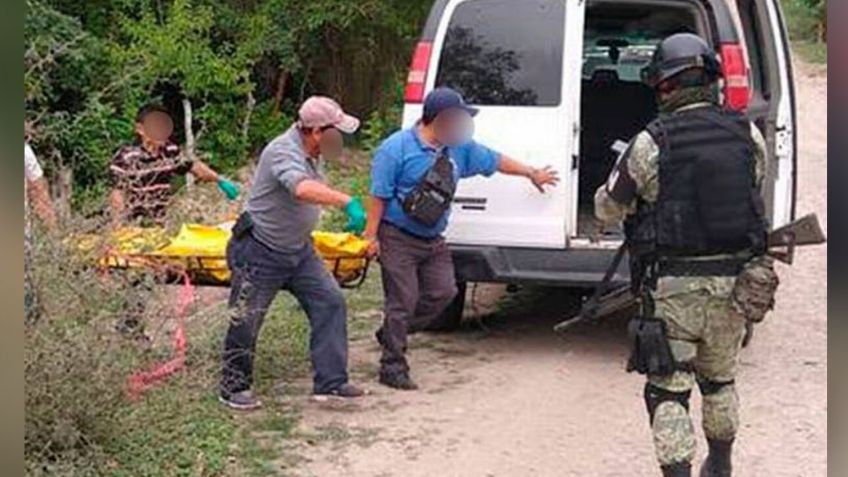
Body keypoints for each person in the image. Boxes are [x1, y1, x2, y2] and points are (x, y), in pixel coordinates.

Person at [594, 33, 777, 477]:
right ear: (712, 79)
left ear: (663, 86)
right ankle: (721, 464)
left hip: (674, 288)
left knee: (668, 390)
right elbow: (753, 186)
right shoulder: (748, 133)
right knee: (720, 382)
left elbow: (607, 208)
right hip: (737, 284)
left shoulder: (650, 142)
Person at [364, 87, 560, 390]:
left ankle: (393, 331)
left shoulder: (459, 148)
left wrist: (531, 173)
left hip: (433, 238)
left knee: (443, 293)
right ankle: (393, 366)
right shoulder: (395, 149)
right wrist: (370, 236)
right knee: (402, 300)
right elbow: (379, 195)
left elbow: (495, 160)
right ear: (440, 119)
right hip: (397, 236)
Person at [219, 96, 368, 410]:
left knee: (330, 302)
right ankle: (234, 387)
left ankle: (331, 382)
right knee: (246, 318)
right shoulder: (282, 150)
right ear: (316, 131)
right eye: (335, 131)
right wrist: (347, 201)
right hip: (260, 249)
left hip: (299, 250)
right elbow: (300, 188)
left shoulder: (313, 153)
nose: (339, 139)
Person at [109, 104, 239, 226]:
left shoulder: (169, 151)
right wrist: (118, 226)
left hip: (160, 224)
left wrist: (220, 180)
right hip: (134, 225)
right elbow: (117, 194)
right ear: (140, 129)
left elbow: (195, 167)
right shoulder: (127, 156)